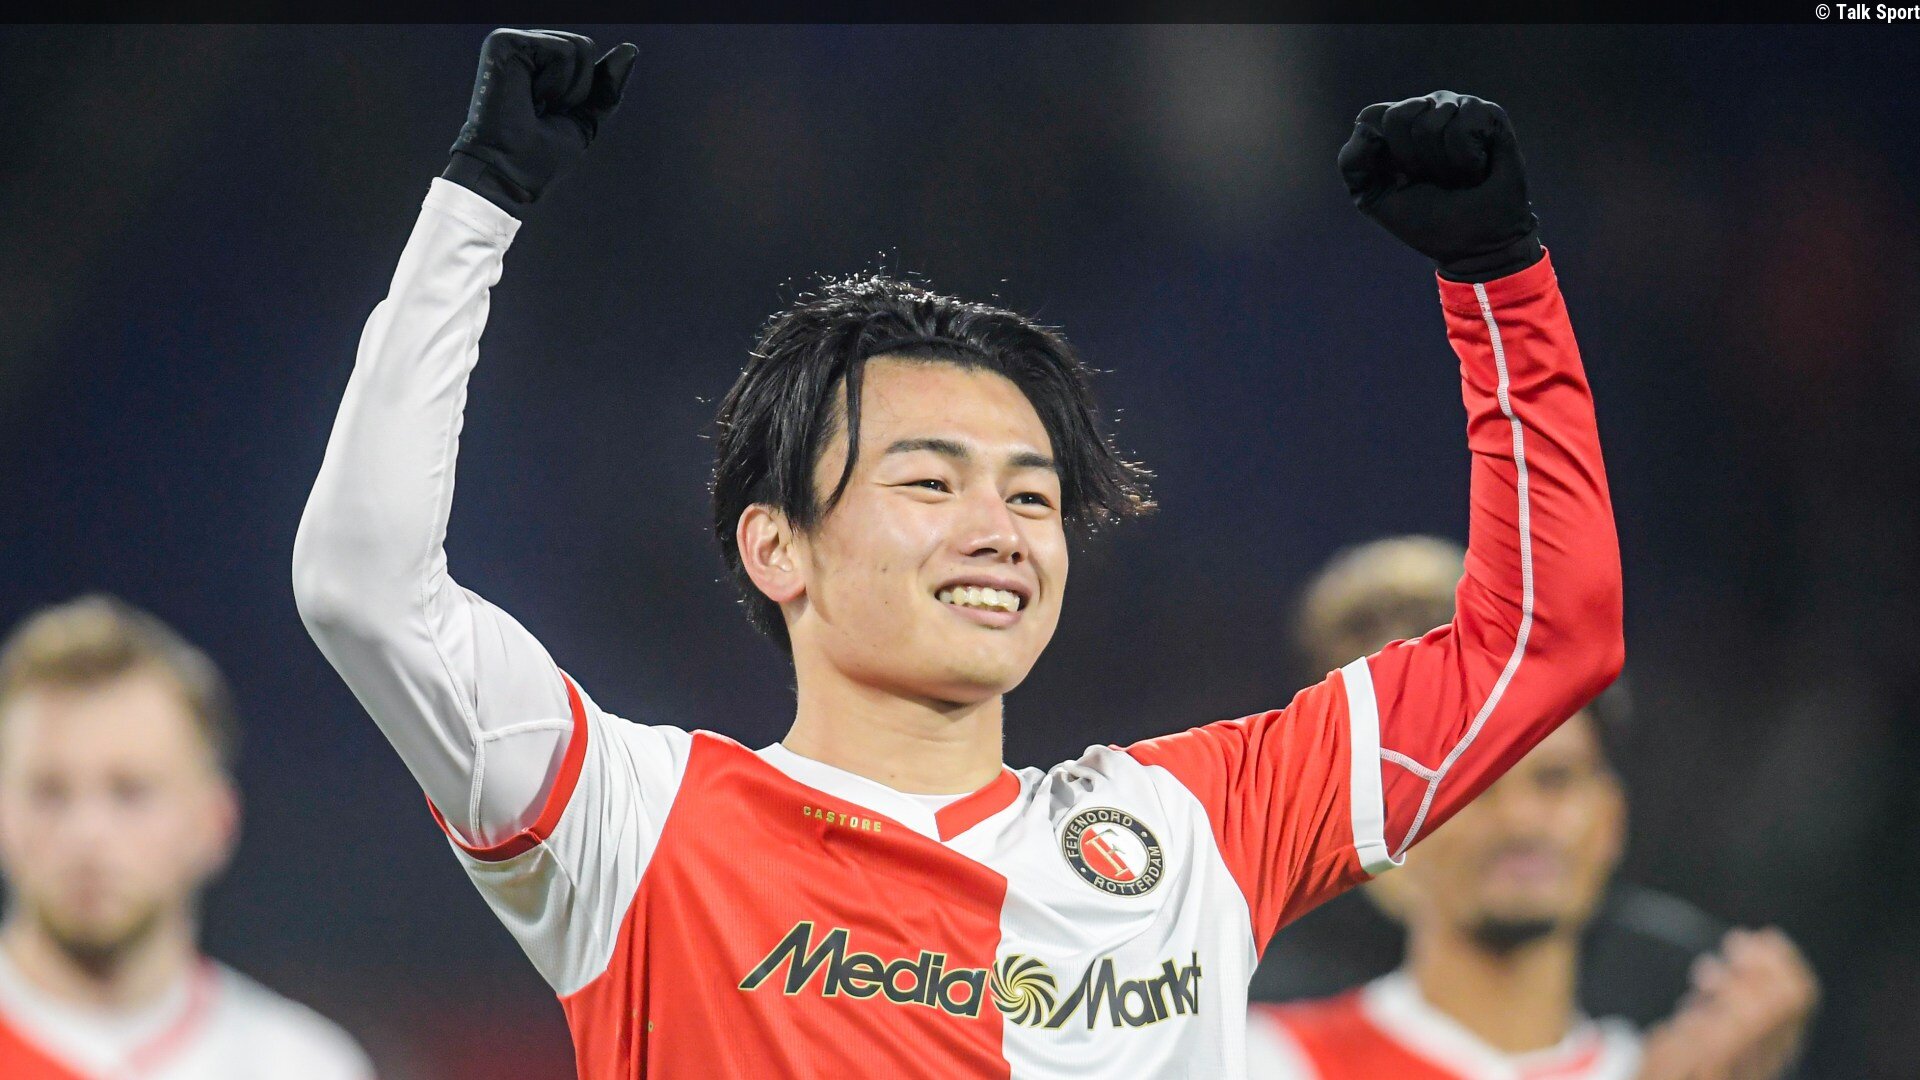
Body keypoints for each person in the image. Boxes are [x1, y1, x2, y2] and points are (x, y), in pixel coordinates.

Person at [291, 27, 1624, 1078]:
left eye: (1035, 497)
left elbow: (1543, 640)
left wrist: (1498, 284)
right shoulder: (633, 824)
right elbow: (363, 588)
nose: (1001, 530)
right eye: (930, 481)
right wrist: (476, 207)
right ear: (776, 547)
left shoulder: (1194, 832)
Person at [1246, 537, 1819, 1080]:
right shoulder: (1263, 1059)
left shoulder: (1692, 1060)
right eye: (1472, 787)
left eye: (1555, 780)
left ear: (1610, 820)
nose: (1520, 820)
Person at [0, 595, 374, 1080]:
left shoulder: (303, 1066)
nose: (86, 832)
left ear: (214, 821)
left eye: (130, 792)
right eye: (49, 793)